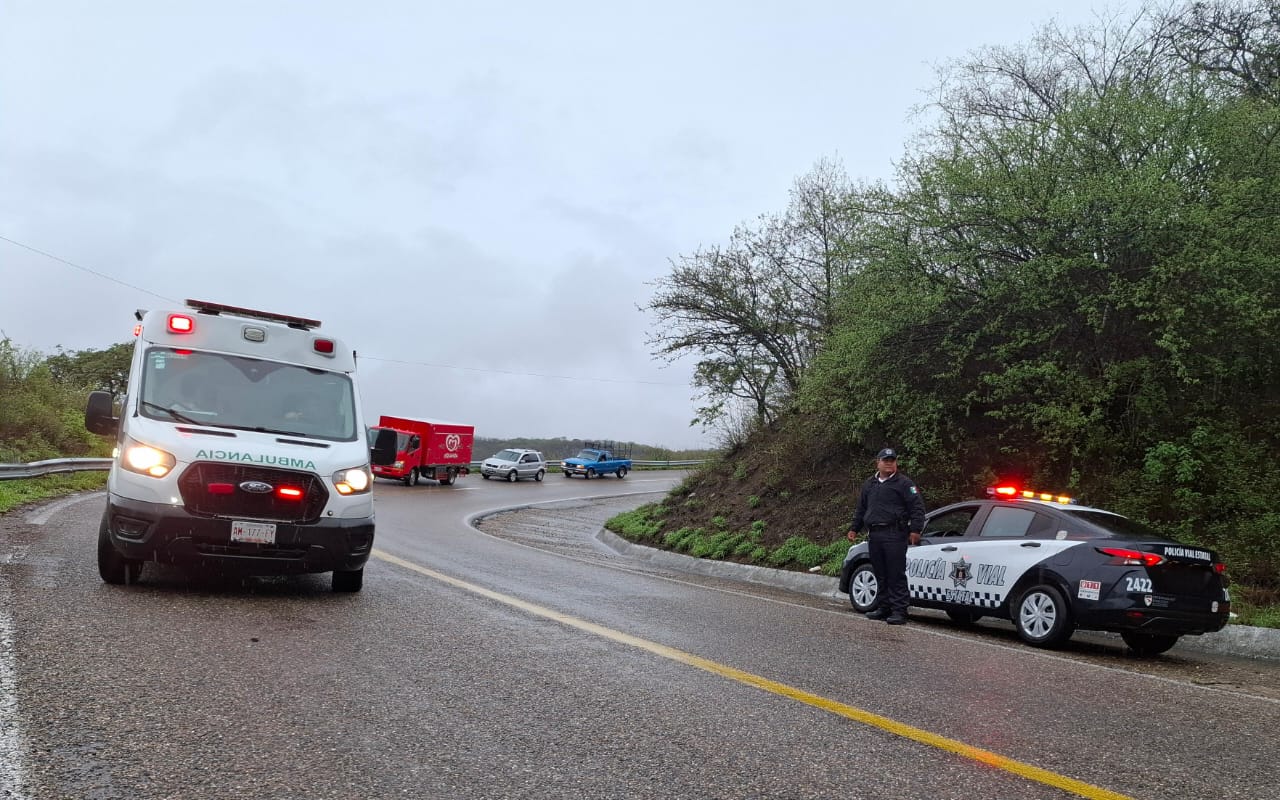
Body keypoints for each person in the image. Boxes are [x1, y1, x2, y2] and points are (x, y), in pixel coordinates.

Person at [847, 447, 926, 625]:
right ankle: (884, 607)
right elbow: (861, 508)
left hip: (895, 533)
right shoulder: (869, 484)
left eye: (892, 460)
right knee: (880, 572)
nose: (889, 463)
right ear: (878, 463)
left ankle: (899, 610)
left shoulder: (905, 484)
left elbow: (917, 508)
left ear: (896, 463)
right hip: (874, 534)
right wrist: (854, 528)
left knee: (895, 573)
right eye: (885, 460)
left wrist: (915, 530)